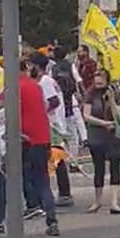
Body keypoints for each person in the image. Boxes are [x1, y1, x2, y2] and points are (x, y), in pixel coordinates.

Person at [0, 59, 61, 238]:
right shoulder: (36, 87)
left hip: (23, 141)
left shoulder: (14, 88)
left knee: (3, 179)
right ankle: (52, 221)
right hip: (42, 139)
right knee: (42, 181)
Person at [29, 53, 73, 208]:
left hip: (52, 124)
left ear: (36, 66)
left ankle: (65, 193)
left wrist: (41, 111)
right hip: (49, 124)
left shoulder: (45, 81)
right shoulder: (42, 81)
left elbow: (53, 101)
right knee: (54, 158)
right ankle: (60, 192)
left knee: (57, 158)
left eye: (30, 65)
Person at [82, 68, 120, 214]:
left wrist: (112, 101)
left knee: (115, 166)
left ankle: (114, 202)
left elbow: (118, 116)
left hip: (112, 135)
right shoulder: (91, 94)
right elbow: (86, 115)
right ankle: (98, 201)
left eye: (101, 78)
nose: (98, 81)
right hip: (97, 134)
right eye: (96, 78)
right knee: (98, 167)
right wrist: (103, 123)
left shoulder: (116, 93)